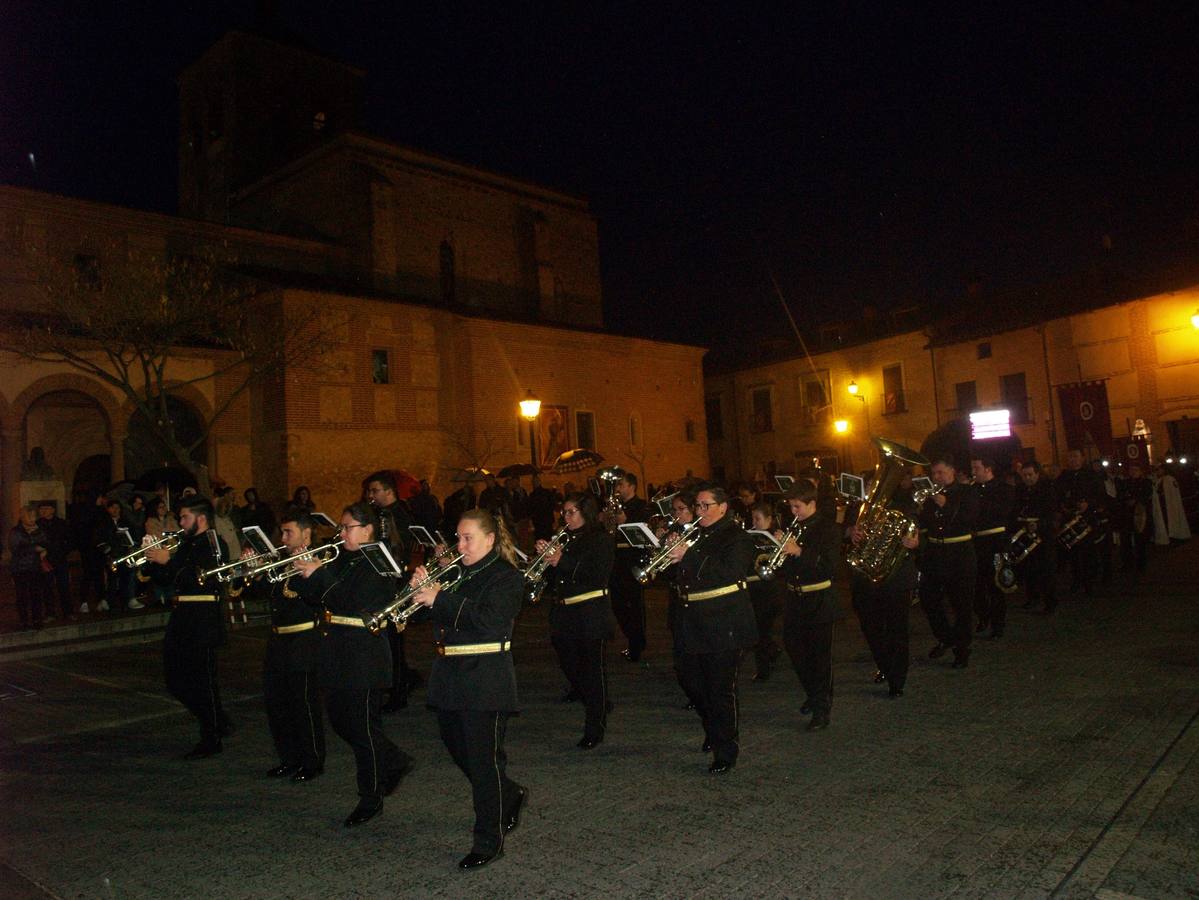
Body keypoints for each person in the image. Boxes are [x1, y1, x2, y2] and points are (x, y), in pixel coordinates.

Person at [410, 507, 528, 869]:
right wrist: (417, 589)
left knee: (483, 760)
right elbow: (422, 615)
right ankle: (508, 793)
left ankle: (488, 839)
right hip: (449, 678)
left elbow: (489, 621)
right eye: (457, 538)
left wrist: (440, 598)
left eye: (467, 538)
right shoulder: (455, 574)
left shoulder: (506, 577)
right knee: (461, 751)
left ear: (490, 540)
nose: (459, 545)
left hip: (485, 679)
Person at [293, 502, 412, 827]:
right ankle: (395, 759)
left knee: (362, 727)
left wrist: (319, 575)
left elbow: (348, 599)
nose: (341, 533)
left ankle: (371, 797)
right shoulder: (342, 557)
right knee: (341, 722)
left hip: (363, 653)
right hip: (335, 650)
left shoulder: (379, 561)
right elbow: (313, 595)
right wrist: (305, 572)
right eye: (342, 527)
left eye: (348, 527)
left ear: (368, 530)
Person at [667, 483, 757, 773]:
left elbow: (729, 571)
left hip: (724, 621)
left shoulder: (737, 537)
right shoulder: (695, 533)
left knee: (719, 690)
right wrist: (669, 553)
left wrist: (687, 556)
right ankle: (713, 729)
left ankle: (725, 750)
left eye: (706, 505)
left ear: (723, 507)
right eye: (698, 506)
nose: (700, 511)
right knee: (690, 681)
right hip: (692, 620)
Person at [143, 496, 231, 758]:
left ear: (200, 518)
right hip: (182, 617)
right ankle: (217, 721)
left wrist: (167, 560)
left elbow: (201, 580)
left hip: (203, 617)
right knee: (174, 680)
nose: (180, 522)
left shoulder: (214, 544)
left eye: (184, 517)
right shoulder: (185, 544)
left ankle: (212, 736)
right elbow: (165, 577)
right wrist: (151, 558)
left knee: (203, 682)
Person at [542, 492, 616, 748]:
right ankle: (599, 703)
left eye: (571, 512)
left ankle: (595, 725)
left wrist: (562, 560)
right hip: (564, 615)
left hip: (589, 614)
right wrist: (545, 561)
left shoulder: (600, 539)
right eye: (563, 512)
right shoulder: (566, 539)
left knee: (592, 671)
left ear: (586, 512)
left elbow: (596, 574)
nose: (565, 517)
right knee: (570, 667)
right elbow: (557, 577)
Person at [259, 511, 326, 783]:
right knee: (277, 702)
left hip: (304, 639)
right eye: (282, 533)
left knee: (304, 704)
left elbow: (314, 598)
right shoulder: (281, 562)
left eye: (288, 533)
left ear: (306, 534)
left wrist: (305, 569)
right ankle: (288, 758)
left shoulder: (317, 562)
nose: (283, 538)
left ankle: (311, 761)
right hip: (278, 640)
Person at [775, 481, 844, 729]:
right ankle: (814, 694)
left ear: (811, 504)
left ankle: (822, 708)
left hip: (819, 599)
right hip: (795, 599)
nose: (793, 512)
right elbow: (787, 568)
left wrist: (799, 552)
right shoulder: (795, 527)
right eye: (791, 507)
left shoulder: (829, 529)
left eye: (797, 506)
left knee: (819, 658)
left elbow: (830, 567)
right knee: (794, 649)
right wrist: (778, 550)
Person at [849, 486, 919, 698]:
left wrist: (914, 543)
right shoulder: (858, 508)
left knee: (897, 631)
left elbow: (918, 535)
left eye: (876, 487)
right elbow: (843, 531)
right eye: (871, 487)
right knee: (871, 629)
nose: (873, 491)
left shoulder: (903, 508)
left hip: (895, 579)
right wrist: (851, 533)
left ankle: (897, 680)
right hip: (865, 580)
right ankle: (886, 666)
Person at [917, 454, 979, 668]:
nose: (936, 477)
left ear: (952, 471)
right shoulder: (930, 496)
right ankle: (946, 636)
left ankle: (962, 649)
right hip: (935, 552)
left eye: (940, 472)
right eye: (934, 473)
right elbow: (924, 523)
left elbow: (970, 519)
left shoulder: (967, 492)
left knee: (961, 603)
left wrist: (946, 505)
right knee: (927, 597)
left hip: (960, 552)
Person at [365, 470, 419, 712]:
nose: (371, 495)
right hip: (384, 581)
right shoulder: (379, 514)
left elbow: (402, 548)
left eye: (375, 491)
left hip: (396, 580)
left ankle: (399, 690)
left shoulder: (399, 514)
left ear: (389, 491)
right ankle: (404, 678)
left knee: (394, 641)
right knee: (388, 642)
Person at [606, 471, 653, 661]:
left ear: (632, 486)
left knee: (633, 604)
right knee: (617, 604)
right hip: (616, 558)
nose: (618, 489)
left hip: (632, 558)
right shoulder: (617, 506)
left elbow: (643, 533)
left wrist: (626, 521)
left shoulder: (642, 506)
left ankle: (636, 644)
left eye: (621, 485)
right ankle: (632, 637)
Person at [971, 456, 1015, 638]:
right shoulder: (971, 490)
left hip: (996, 542)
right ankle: (983, 617)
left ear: (988, 469)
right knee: (977, 586)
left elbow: (1000, 513)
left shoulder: (1004, 489)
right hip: (976, 544)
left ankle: (998, 625)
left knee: (996, 585)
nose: (973, 472)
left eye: (976, 468)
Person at [745, 501, 785, 681]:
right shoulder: (750, 536)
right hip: (753, 589)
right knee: (759, 631)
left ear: (769, 519)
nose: (754, 522)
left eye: (758, 519)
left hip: (769, 590)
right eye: (752, 518)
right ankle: (771, 652)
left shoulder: (777, 535)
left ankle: (764, 669)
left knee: (761, 630)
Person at [1055, 449, 1103, 595]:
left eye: (1075, 456)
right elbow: (1057, 497)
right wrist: (1063, 507)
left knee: (1088, 553)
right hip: (1069, 520)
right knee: (1073, 553)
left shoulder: (1092, 476)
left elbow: (1101, 496)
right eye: (1070, 457)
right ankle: (1076, 580)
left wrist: (1088, 504)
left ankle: (1089, 582)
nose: (1073, 460)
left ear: (1082, 458)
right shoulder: (1063, 477)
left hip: (1087, 520)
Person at [1014, 461, 1059, 613]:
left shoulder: (1047, 489)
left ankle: (1050, 601)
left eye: (1030, 475)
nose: (1027, 478)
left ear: (1037, 474)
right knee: (1029, 569)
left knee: (1046, 570)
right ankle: (1032, 597)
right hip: (1026, 533)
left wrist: (1040, 524)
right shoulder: (1020, 490)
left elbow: (1052, 512)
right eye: (1025, 475)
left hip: (1044, 535)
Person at [9, 506, 51, 630]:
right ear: (23, 517)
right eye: (30, 516)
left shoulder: (39, 530)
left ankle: (37, 619)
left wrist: (44, 550)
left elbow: (45, 542)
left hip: (35, 567)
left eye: (34, 516)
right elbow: (15, 548)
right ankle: (24, 621)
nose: (33, 519)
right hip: (20, 568)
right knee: (22, 596)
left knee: (36, 594)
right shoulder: (16, 531)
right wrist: (34, 549)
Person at [36, 501, 74, 623]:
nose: (43, 511)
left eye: (46, 508)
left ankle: (68, 612)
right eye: (41, 508)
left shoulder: (61, 523)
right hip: (45, 560)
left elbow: (69, 540)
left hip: (60, 558)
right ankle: (50, 613)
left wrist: (62, 551)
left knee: (64, 586)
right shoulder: (37, 525)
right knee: (47, 587)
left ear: (52, 510)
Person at [526, 474, 561, 541]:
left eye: (535, 482)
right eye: (534, 482)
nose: (535, 483)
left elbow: (551, 504)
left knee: (543, 538)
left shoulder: (536, 494)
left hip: (541, 520)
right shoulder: (537, 494)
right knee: (546, 537)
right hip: (543, 520)